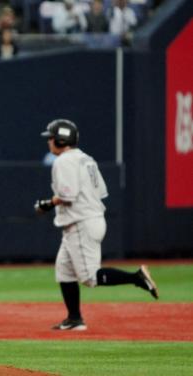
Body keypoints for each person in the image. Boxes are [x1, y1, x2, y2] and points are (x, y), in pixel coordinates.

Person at [35, 119, 159, 330]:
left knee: (90, 277)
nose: (49, 142)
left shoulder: (64, 161)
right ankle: (74, 319)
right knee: (64, 271)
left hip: (81, 222)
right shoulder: (85, 158)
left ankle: (136, 278)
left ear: (61, 139)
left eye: (51, 138)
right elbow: (101, 191)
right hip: (87, 220)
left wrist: (47, 204)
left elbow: (67, 195)